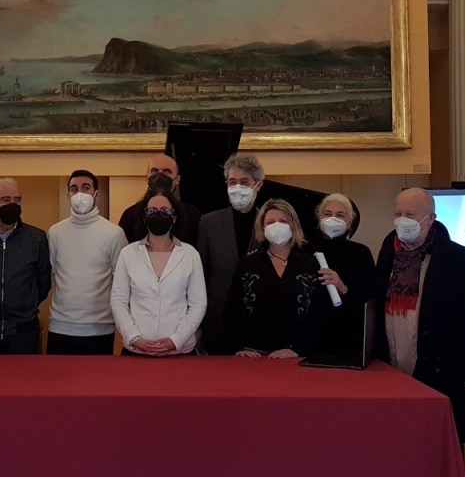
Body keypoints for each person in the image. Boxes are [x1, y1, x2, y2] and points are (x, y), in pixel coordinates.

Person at [375, 188, 465, 407]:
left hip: (438, 366)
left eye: (410, 215)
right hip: (390, 361)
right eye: (398, 214)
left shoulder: (460, 259)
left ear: (430, 219)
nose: (402, 220)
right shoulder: (388, 254)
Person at [223, 199, 334, 358]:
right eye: (270, 222)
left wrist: (299, 349)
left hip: (296, 354)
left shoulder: (310, 264)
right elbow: (232, 308)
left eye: (283, 221)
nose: (277, 226)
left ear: (293, 225)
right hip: (254, 354)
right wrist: (237, 347)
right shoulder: (248, 263)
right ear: (262, 227)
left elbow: (319, 312)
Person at [111, 188, 207, 356]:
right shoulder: (128, 253)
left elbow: (198, 304)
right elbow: (118, 301)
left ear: (174, 217)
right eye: (152, 211)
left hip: (180, 351)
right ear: (144, 216)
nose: (158, 215)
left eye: (165, 211)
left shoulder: (190, 254)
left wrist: (176, 340)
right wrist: (134, 338)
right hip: (136, 350)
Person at [47, 170, 128, 355]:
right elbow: (52, 273)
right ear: (68, 194)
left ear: (96, 194)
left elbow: (121, 282)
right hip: (60, 327)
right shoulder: (55, 232)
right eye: (74, 189)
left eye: (86, 188)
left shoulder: (114, 233)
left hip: (99, 329)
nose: (80, 194)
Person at [196, 153, 265, 355]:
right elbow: (199, 275)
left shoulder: (269, 223)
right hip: (218, 320)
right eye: (232, 182)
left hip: (258, 320)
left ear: (258, 185)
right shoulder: (208, 223)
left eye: (244, 182)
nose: (237, 187)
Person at [0, 178, 51, 354]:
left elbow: (43, 281)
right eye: (6, 200)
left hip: (24, 331)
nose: (12, 205)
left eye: (17, 200)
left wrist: (25, 303)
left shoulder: (36, 238)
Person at [306, 193, 377, 354]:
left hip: (347, 337)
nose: (332, 219)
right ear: (319, 218)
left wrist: (343, 287)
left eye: (340, 215)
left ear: (350, 222)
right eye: (327, 214)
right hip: (310, 338)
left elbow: (370, 298)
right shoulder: (304, 250)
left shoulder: (361, 253)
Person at [117, 154, 202, 245]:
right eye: (154, 171)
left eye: (167, 171)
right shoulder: (130, 216)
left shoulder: (193, 216)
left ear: (177, 179)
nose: (160, 175)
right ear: (147, 178)